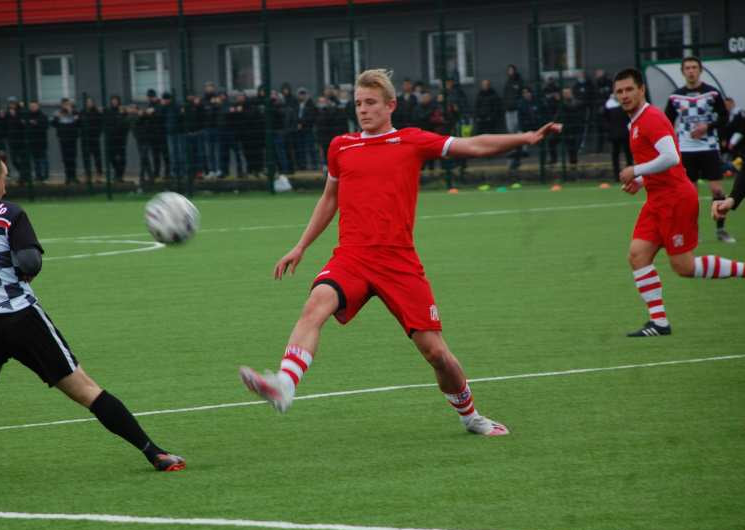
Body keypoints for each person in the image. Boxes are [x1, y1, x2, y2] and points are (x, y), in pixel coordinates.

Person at [239, 69, 561, 436]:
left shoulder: (412, 141)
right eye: (358, 103)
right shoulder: (341, 146)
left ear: (390, 105)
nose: (363, 110)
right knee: (316, 305)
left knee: (436, 354)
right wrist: (301, 246)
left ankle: (470, 415)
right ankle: (284, 384)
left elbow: (474, 146)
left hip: (398, 262)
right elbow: (330, 199)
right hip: (352, 258)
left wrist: (527, 137)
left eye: (371, 103)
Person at [0, 145, 185, 477]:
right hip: (20, 318)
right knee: (85, 389)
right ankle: (154, 453)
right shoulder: (7, 213)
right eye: (4, 177)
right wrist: (25, 267)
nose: (6, 185)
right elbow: (29, 261)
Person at [614, 68, 744, 338]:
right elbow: (661, 161)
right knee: (638, 255)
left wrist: (636, 170)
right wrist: (641, 181)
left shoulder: (650, 118)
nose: (624, 95)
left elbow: (671, 157)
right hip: (657, 199)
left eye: (629, 89)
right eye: (619, 91)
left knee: (684, 267)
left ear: (642, 90)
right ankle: (659, 323)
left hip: (675, 199)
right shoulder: (635, 122)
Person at [664, 56, 734, 243]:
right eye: (687, 68)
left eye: (694, 67)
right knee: (689, 195)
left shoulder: (712, 94)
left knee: (717, 191)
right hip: (686, 150)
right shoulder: (675, 97)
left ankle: (721, 230)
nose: (691, 71)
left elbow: (724, 117)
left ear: (700, 70)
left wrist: (707, 127)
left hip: (709, 148)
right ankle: (693, 233)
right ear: (683, 71)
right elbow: (666, 122)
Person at [51, 99, 80, 184]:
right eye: (64, 104)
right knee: (65, 159)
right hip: (63, 139)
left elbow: (79, 124)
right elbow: (53, 124)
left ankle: (74, 177)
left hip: (72, 138)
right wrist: (58, 117)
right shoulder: (58, 113)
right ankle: (68, 177)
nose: (66, 106)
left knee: (73, 158)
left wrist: (72, 114)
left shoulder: (75, 113)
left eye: (68, 104)